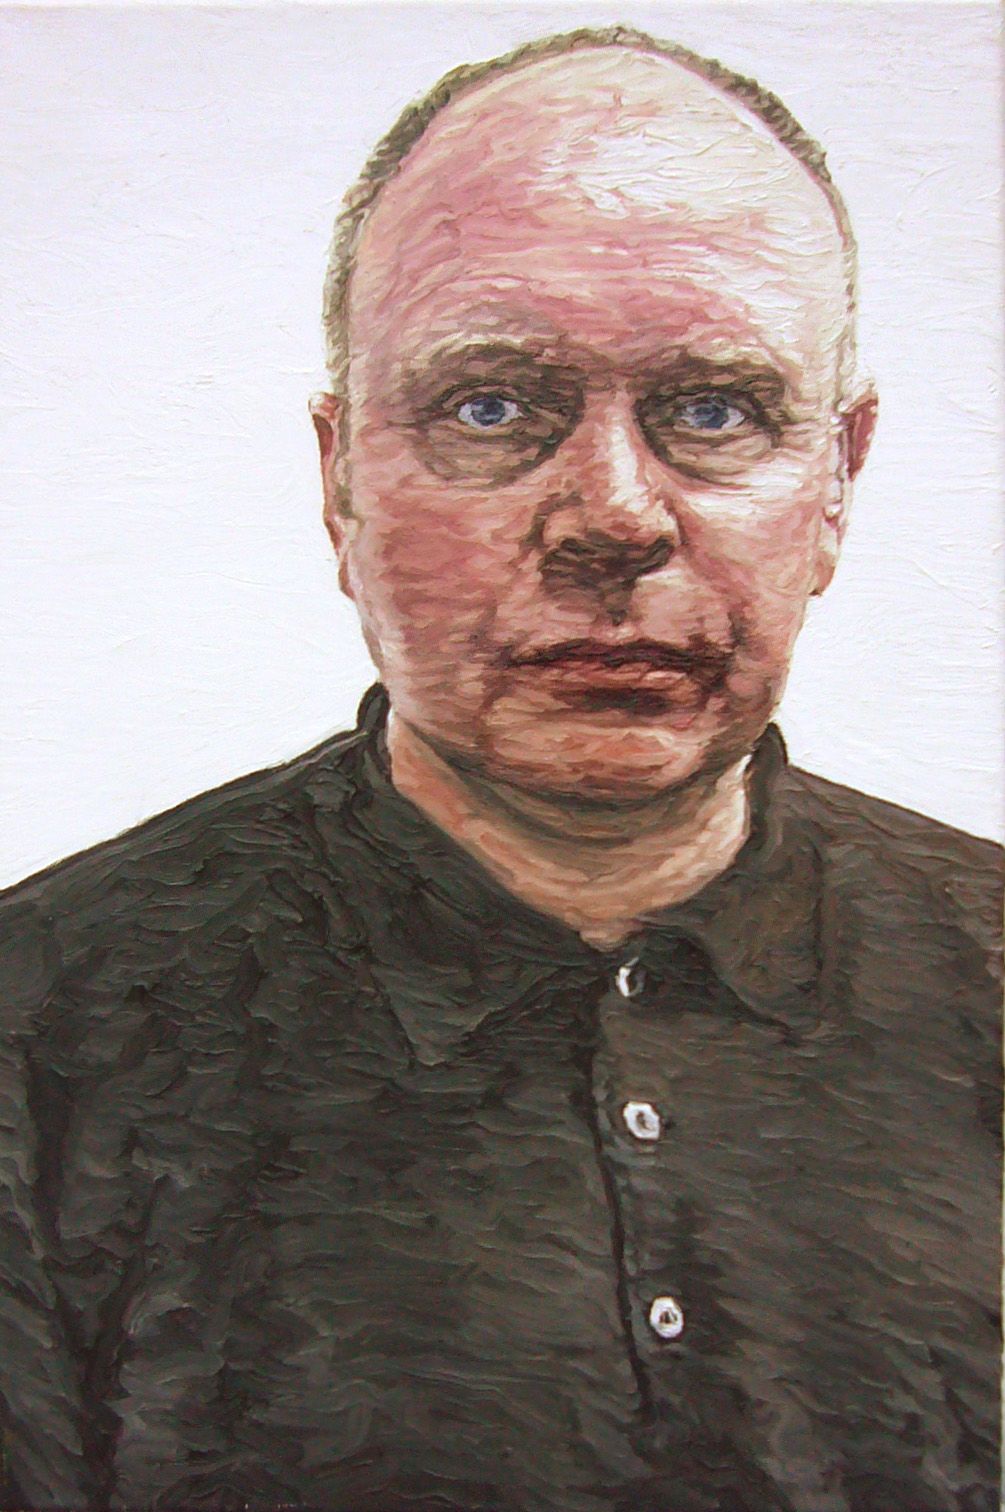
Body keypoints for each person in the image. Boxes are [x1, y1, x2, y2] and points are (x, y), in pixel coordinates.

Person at [0, 25, 1000, 1512]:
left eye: (713, 410)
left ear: (839, 478)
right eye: (492, 406)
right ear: (339, 482)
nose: (613, 516)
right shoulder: (36, 1039)